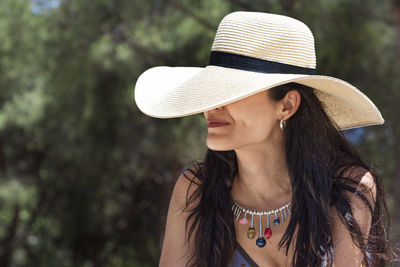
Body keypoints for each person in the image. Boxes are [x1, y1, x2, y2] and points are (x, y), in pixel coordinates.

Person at [134, 11, 395, 267]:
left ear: (287, 105)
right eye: (211, 93)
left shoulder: (347, 187)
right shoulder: (196, 190)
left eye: (230, 92)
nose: (212, 107)